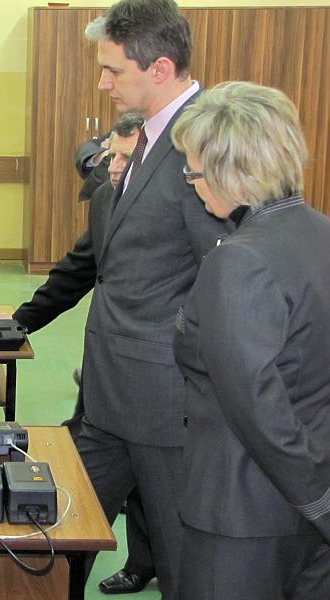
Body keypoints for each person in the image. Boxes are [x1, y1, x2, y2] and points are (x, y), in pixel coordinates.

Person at [74, 1, 233, 597]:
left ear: (160, 68)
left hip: (165, 401)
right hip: (108, 393)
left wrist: (176, 358)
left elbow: (224, 273)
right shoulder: (146, 135)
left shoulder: (207, 138)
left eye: (113, 70)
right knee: (58, 539)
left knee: (182, 560)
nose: (103, 82)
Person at [170, 82, 330, 599]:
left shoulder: (240, 260)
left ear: (234, 173)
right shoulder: (321, 233)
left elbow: (258, 407)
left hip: (244, 511)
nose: (191, 183)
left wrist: (319, 503)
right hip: (309, 484)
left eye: (194, 172)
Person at [0, 113, 158, 595]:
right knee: (84, 499)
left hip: (160, 382)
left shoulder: (177, 207)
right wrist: (18, 322)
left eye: (126, 158)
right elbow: (78, 269)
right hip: (106, 376)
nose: (112, 166)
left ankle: (145, 563)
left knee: (156, 492)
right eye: (111, 155)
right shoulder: (107, 198)